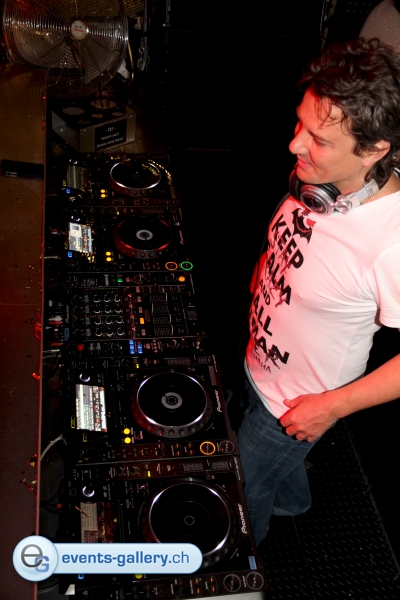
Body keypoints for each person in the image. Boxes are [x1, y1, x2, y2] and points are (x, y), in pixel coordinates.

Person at [237, 37, 400, 546]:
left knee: (241, 488)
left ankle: (243, 563)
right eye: (300, 126)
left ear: (374, 150)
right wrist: (265, 279)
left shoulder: (391, 244)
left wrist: (330, 408)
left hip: (297, 401)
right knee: (275, 466)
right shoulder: (320, 182)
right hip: (258, 361)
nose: (295, 146)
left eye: (320, 140)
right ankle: (293, 499)